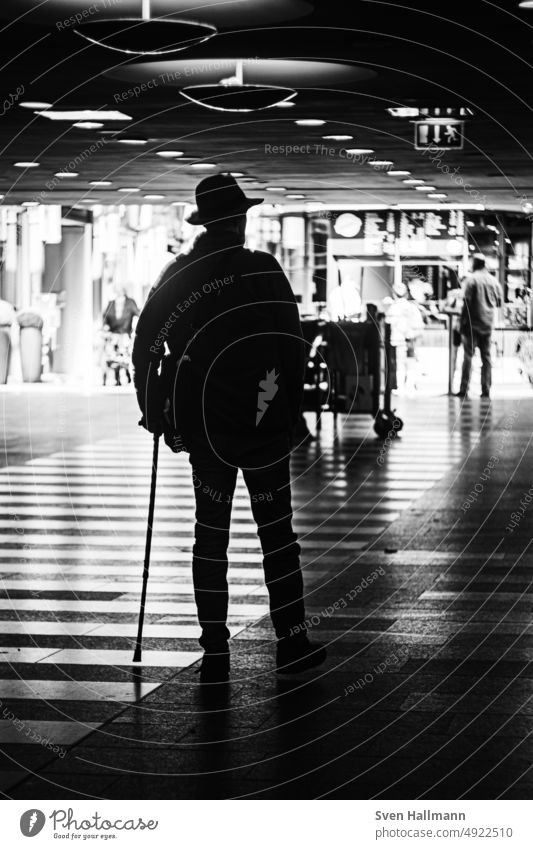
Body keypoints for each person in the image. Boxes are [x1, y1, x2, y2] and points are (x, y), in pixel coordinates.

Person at [132, 174, 326, 684]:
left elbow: (146, 343)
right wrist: (292, 413)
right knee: (277, 535)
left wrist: (154, 410)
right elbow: (292, 342)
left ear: (203, 223)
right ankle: (291, 641)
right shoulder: (264, 270)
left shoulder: (179, 274)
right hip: (262, 424)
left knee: (210, 533)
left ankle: (215, 647)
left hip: (204, 427)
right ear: (239, 220)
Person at [457, 254, 503, 399]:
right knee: (486, 357)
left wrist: (461, 322)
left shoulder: (471, 280)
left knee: (468, 357)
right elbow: (500, 303)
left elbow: (466, 303)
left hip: (471, 325)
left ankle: (464, 389)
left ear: (475, 264)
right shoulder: (494, 281)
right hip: (488, 325)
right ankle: (486, 389)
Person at [102, 285, 139, 385]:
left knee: (123, 356)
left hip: (125, 334)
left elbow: (138, 313)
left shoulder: (130, 302)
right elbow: (105, 317)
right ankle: (116, 376)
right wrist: (105, 326)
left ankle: (126, 376)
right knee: (113, 356)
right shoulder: (111, 303)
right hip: (113, 334)